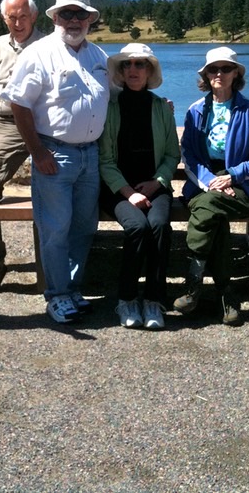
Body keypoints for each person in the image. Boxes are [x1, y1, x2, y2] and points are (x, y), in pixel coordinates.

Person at [2, 0, 109, 323]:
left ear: (91, 19)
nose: (74, 20)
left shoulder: (100, 57)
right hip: (55, 155)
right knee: (55, 228)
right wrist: (37, 151)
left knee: (83, 227)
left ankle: (73, 289)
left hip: (90, 156)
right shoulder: (39, 53)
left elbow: (114, 96)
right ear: (54, 17)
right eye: (67, 14)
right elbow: (18, 103)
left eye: (80, 14)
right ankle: (57, 295)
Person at [173, 47, 249, 326]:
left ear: (236, 74)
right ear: (205, 75)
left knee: (208, 207)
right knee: (214, 216)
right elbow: (188, 154)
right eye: (213, 69)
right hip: (203, 180)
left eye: (226, 69)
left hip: (242, 185)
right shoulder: (196, 111)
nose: (219, 74)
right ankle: (226, 294)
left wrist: (232, 177)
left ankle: (193, 285)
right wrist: (210, 182)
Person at [99, 44, 180, 330]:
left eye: (140, 64)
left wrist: (157, 183)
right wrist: (128, 192)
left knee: (158, 225)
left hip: (154, 186)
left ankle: (154, 301)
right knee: (137, 227)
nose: (133, 70)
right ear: (120, 72)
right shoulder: (109, 109)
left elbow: (172, 154)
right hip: (117, 189)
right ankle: (127, 299)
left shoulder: (161, 107)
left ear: (149, 71)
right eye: (127, 65)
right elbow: (105, 160)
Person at [0, 0, 44, 297]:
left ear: (34, 17)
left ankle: (64, 262)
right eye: (11, 18)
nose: (17, 23)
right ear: (4, 19)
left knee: (65, 185)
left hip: (45, 125)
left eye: (22, 17)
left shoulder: (49, 45)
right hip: (5, 124)